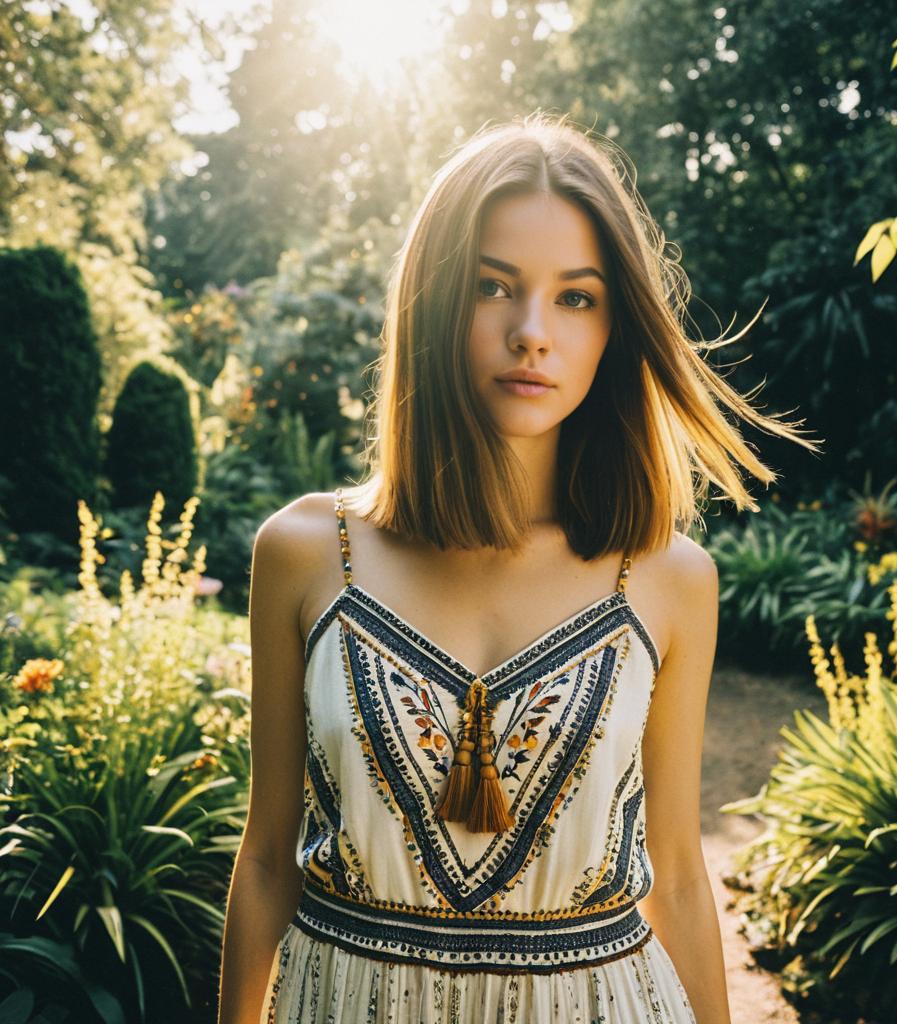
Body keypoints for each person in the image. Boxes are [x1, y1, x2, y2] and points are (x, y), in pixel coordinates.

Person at [217, 111, 820, 1024]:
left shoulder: (668, 579)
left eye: (577, 297)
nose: (533, 331)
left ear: (616, 328)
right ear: (435, 300)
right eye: (495, 286)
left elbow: (683, 880)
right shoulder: (305, 553)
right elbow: (265, 861)